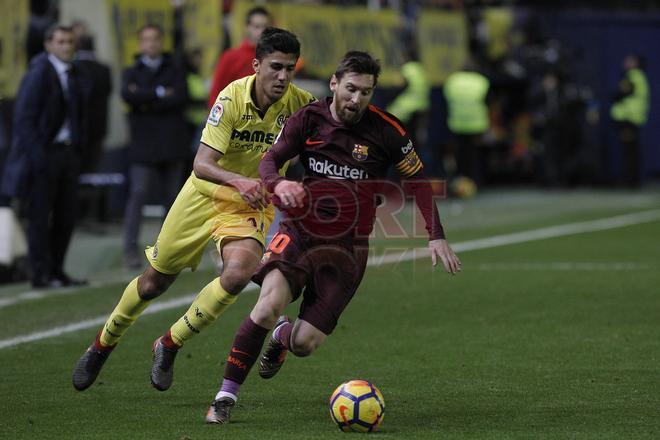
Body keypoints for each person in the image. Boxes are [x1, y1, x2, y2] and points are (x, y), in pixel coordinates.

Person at [202, 51, 462, 424]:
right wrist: (279, 183)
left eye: (366, 92)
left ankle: (282, 338)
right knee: (266, 304)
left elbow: (418, 182)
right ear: (334, 83)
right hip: (300, 232)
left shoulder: (388, 130)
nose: (357, 99)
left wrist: (435, 236)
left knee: (305, 344)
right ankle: (225, 397)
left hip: (348, 248)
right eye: (351, 88)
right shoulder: (308, 118)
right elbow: (269, 161)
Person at [72, 27, 316, 392]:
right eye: (276, 67)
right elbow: (202, 163)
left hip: (249, 205)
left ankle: (170, 343)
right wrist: (240, 181)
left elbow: (320, 153)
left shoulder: (301, 105)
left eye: (290, 69)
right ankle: (102, 344)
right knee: (155, 283)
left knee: (238, 274)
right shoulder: (232, 98)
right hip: (204, 195)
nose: (283, 77)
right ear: (256, 65)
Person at [0, 24, 91, 288]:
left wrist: (78, 150)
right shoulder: (38, 73)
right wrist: (38, 157)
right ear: (48, 45)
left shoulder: (75, 73)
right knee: (40, 217)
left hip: (67, 154)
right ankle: (40, 274)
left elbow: (81, 116)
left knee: (66, 216)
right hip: (45, 156)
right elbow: (24, 120)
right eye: (60, 41)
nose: (66, 46)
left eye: (69, 41)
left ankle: (57, 270)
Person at [121, 24, 189, 269]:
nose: (151, 44)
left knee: (172, 201)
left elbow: (181, 97)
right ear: (140, 44)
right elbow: (128, 96)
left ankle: (165, 250)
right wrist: (161, 94)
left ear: (162, 42)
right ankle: (130, 249)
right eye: (146, 39)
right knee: (138, 194)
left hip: (171, 144)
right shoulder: (131, 71)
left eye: (155, 39)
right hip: (143, 145)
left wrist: (146, 98)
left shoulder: (175, 69)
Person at [207, 6, 272, 108]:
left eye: (265, 27)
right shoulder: (230, 57)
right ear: (247, 27)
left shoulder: (273, 57)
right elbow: (216, 92)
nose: (262, 31)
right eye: (257, 26)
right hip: (235, 119)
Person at [443, 58, 490, 186]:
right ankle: (477, 181)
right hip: (477, 124)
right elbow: (487, 101)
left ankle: (461, 180)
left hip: (457, 123)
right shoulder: (481, 81)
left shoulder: (452, 80)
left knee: (461, 154)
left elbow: (447, 99)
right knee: (476, 154)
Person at [610, 53, 650, 188]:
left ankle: (631, 182)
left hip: (629, 119)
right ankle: (632, 181)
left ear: (636, 63)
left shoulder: (633, 76)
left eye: (629, 60)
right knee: (631, 151)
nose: (626, 62)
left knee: (630, 152)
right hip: (633, 119)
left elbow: (620, 94)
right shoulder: (639, 76)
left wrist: (615, 95)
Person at [74, 34, 112, 173]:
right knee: (93, 169)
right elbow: (108, 92)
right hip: (98, 126)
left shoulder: (74, 68)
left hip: (76, 128)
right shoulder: (104, 69)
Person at [386, 44, 431, 147]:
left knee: (404, 142)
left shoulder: (406, 70)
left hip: (406, 111)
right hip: (421, 107)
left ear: (406, 56)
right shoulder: (421, 69)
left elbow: (397, 89)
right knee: (416, 141)